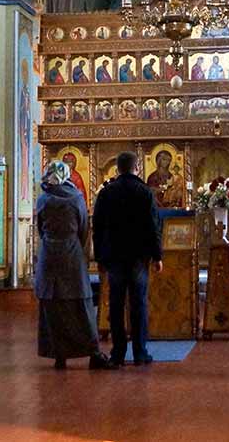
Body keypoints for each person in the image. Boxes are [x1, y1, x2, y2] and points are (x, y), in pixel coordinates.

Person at [35, 161, 115, 370]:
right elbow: (83, 228)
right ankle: (93, 353)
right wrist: (76, 248)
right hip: (71, 254)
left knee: (53, 306)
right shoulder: (76, 198)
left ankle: (58, 355)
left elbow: (40, 229)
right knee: (81, 305)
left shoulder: (43, 199)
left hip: (49, 256)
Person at [92, 152, 163, 367]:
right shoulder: (145, 192)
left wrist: (99, 258)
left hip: (114, 256)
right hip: (139, 256)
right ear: (136, 168)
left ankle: (117, 353)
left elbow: (98, 227)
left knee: (115, 304)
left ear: (118, 169)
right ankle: (140, 353)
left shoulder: (106, 193)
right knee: (139, 303)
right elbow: (153, 227)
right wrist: (157, 255)